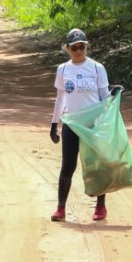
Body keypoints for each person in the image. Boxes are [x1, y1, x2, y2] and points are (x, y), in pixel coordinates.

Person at [49, 29, 118, 222]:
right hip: (72, 123)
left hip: (93, 124)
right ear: (67, 49)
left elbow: (104, 96)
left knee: (97, 166)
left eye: (82, 46)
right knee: (67, 166)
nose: (79, 51)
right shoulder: (63, 69)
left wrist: (113, 101)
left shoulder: (97, 68)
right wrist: (54, 124)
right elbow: (60, 98)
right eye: (74, 47)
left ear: (86, 47)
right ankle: (61, 208)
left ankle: (100, 206)